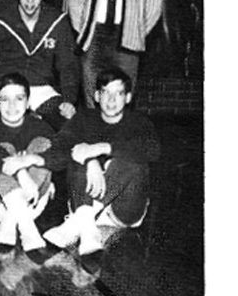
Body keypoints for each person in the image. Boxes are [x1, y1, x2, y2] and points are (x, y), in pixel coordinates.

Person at [43, 67, 161, 256]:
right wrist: (90, 160)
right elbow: (54, 153)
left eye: (118, 94)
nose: (111, 100)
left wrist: (102, 148)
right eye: (106, 93)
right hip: (85, 200)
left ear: (128, 98)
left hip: (122, 209)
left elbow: (153, 151)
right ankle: (87, 229)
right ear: (97, 96)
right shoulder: (83, 119)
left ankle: (75, 225)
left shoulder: (139, 122)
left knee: (131, 161)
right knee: (78, 152)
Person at [0, 73, 63, 253]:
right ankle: (28, 230)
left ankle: (9, 224)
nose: (12, 105)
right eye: (5, 99)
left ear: (28, 102)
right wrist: (20, 172)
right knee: (4, 149)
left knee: (43, 144)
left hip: (33, 202)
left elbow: (62, 156)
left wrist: (31, 159)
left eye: (19, 98)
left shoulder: (41, 127)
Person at [0, 0, 79, 129]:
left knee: (67, 126)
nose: (30, 0)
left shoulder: (57, 22)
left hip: (42, 90)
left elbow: (68, 65)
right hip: (9, 88)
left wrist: (69, 100)